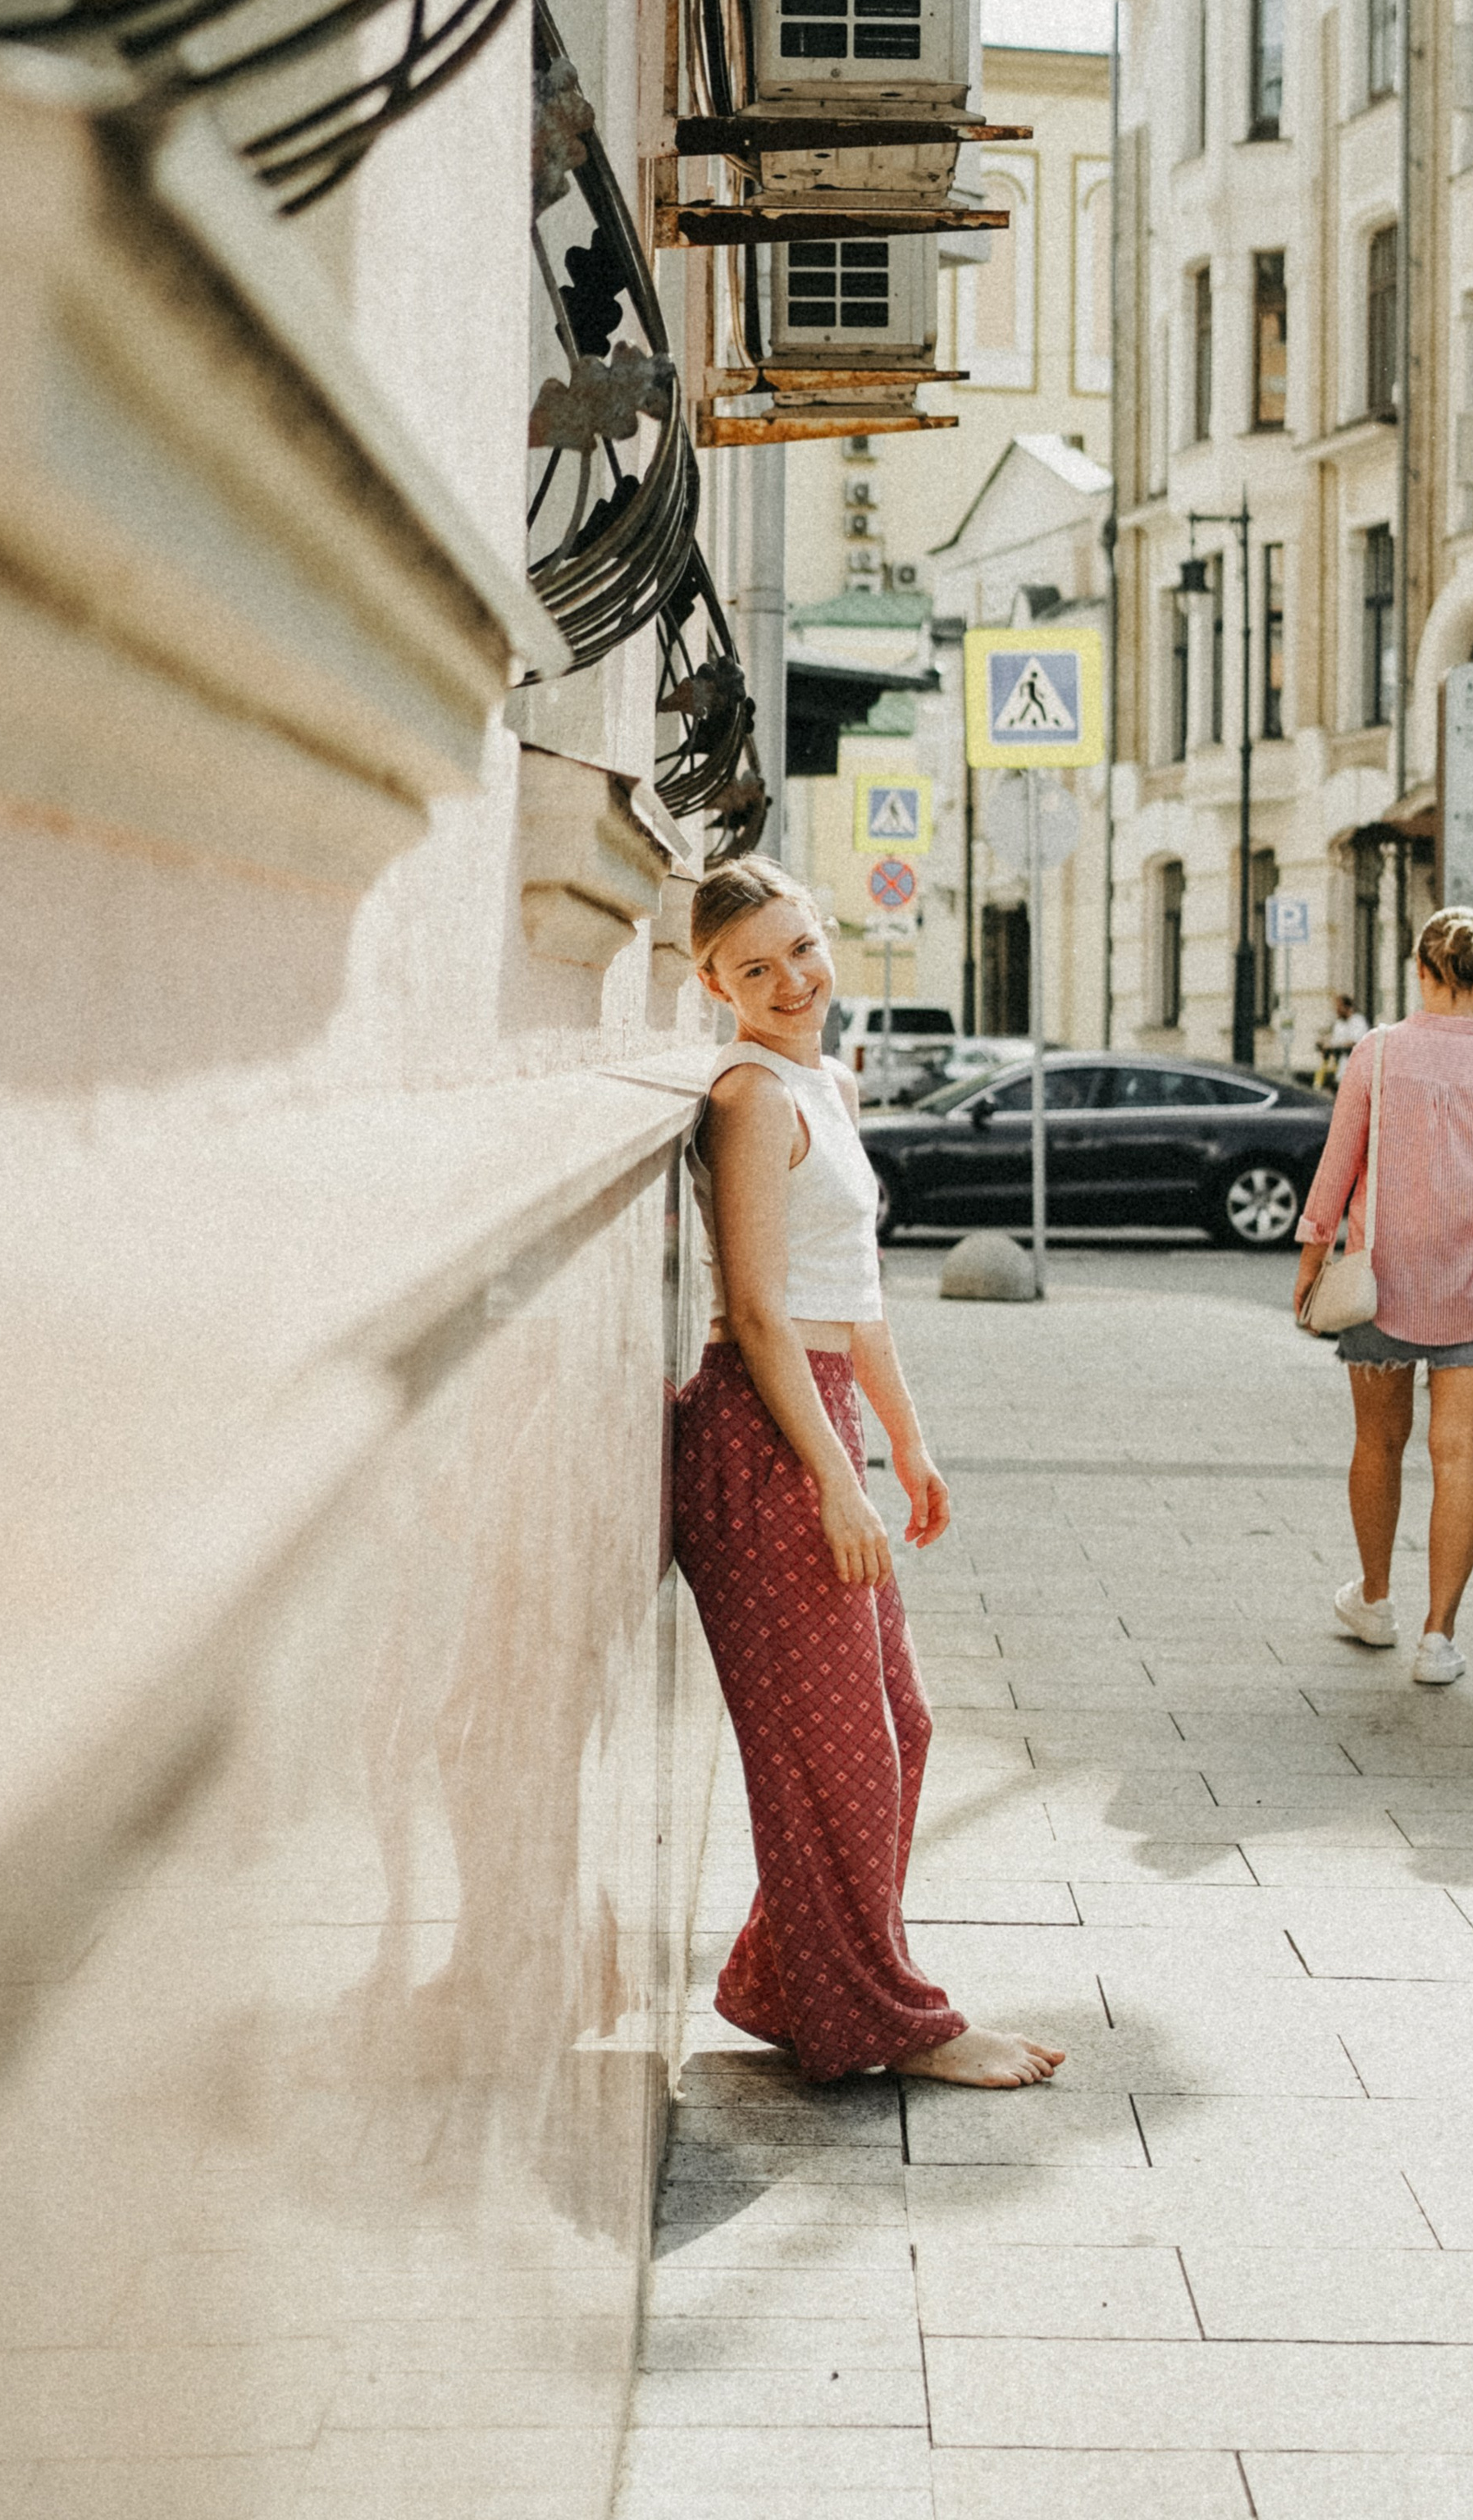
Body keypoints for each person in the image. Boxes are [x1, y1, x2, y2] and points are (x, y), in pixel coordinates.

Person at [670, 856, 1064, 2089]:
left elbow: (859, 1296)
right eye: (754, 967)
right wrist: (838, 1477)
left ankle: (788, 1981)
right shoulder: (748, 1096)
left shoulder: (821, 1081)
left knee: (900, 1724)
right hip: (762, 1433)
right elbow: (759, 1308)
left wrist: (906, 1436)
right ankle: (891, 2020)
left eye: (801, 949)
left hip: (822, 1414)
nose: (789, 980)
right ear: (711, 982)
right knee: (839, 1751)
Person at [1292, 907, 1473, 1687]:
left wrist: (1310, 1259)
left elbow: (1337, 1168)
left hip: (1379, 1286)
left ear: (1420, 972)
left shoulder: (1377, 1053)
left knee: (1379, 1444)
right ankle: (1439, 1637)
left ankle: (1374, 1601)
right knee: (1459, 1452)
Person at [1317, 989, 1370, 1086]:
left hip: (1357, 1073)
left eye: (1339, 1007)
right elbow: (1334, 1041)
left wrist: (1335, 1046)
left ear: (1347, 1007)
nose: (1336, 1010)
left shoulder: (1358, 1021)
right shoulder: (1339, 1024)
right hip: (1341, 1072)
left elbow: (1355, 1043)